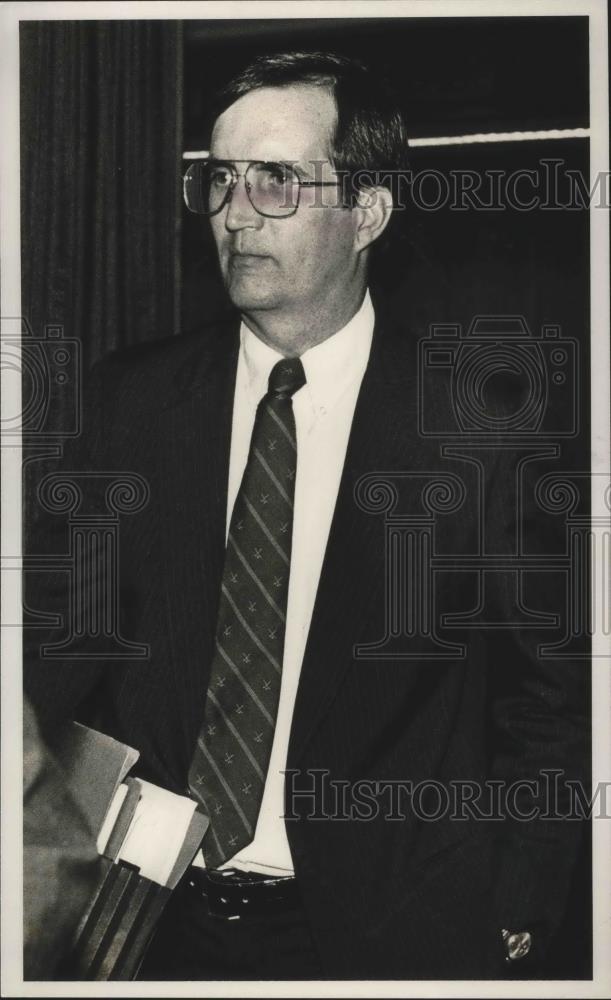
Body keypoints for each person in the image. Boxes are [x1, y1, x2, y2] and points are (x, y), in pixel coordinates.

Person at [24, 51, 589, 980]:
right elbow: (56, 654)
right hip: (148, 923)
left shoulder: (480, 424)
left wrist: (517, 905)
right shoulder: (132, 403)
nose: (235, 212)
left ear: (366, 211)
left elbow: (551, 698)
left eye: (276, 180)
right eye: (219, 179)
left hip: (394, 930)